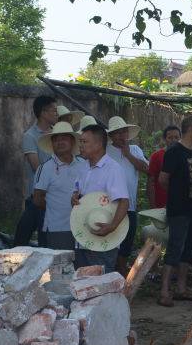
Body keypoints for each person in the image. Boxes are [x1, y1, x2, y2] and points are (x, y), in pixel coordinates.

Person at [157, 115, 192, 307]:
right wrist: (177, 194)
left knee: (189, 248)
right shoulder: (174, 151)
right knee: (174, 248)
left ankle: (182, 288)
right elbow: (162, 179)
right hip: (179, 209)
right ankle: (164, 291)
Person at [72, 124, 130, 272]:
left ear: (98, 144)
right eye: (81, 142)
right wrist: (74, 198)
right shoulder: (83, 167)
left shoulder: (113, 169)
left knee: (101, 283)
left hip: (104, 237)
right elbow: (77, 192)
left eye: (85, 142)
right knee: (83, 281)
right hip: (83, 235)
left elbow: (124, 201)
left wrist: (112, 226)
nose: (80, 146)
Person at [33, 122, 87, 250]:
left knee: (83, 267)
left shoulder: (84, 164)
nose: (60, 142)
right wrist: (55, 207)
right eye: (56, 139)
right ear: (52, 144)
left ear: (72, 141)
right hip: (58, 228)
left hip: (84, 226)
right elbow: (37, 199)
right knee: (62, 267)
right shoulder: (45, 168)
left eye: (64, 138)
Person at [105, 116, 148, 275]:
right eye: (117, 133)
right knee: (111, 242)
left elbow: (147, 170)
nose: (121, 136)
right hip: (110, 206)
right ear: (111, 136)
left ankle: (121, 277)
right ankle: (110, 275)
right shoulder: (105, 151)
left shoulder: (135, 150)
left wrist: (128, 154)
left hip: (129, 206)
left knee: (126, 246)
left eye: (124, 132)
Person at [15, 95, 58, 246]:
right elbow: (37, 167)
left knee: (47, 240)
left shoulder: (57, 135)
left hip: (56, 197)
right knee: (22, 238)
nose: (56, 114)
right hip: (37, 196)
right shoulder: (30, 136)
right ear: (43, 112)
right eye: (54, 110)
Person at [147, 125, 181, 208]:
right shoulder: (156, 156)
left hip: (181, 204)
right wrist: (153, 206)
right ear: (164, 139)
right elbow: (151, 182)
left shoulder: (184, 155)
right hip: (161, 204)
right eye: (170, 137)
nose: (174, 140)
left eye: (176, 137)